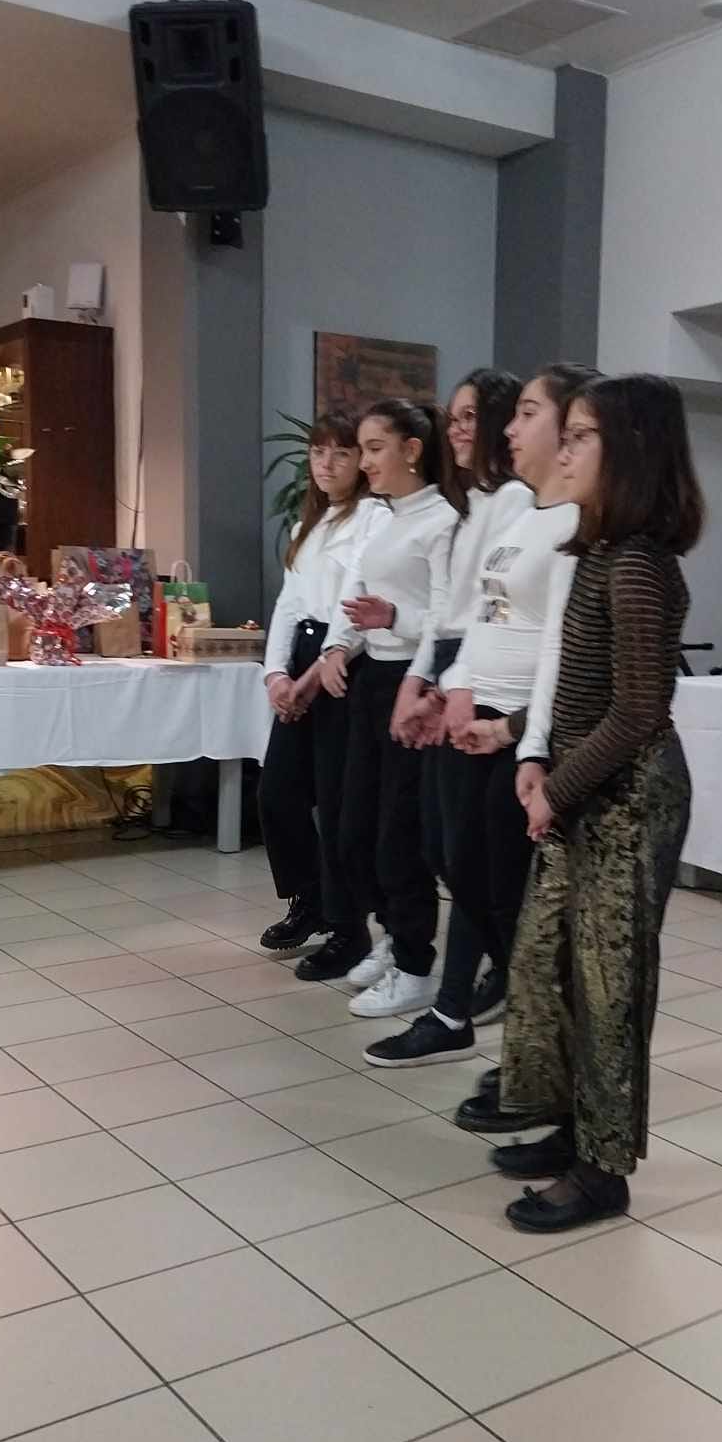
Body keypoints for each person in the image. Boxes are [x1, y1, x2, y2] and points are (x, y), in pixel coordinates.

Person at [494, 373, 704, 1234]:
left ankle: (603, 1169)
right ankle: (570, 1123)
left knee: (610, 987)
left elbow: (639, 711)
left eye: (582, 436)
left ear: (631, 454)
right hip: (586, 787)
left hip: (628, 798)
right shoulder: (600, 553)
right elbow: (578, 686)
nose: (566, 449)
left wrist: (557, 789)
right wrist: (525, 742)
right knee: (551, 966)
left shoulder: (641, 566)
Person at [364, 363, 597, 1073]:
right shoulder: (521, 512)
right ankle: (496, 1006)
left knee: (491, 882)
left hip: (513, 719)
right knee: (457, 863)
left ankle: (498, 1019)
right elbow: (483, 615)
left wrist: (521, 733)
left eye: (526, 413)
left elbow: (556, 646)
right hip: (478, 701)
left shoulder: (571, 522)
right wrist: (450, 687)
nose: (504, 429)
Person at [309, 398, 462, 1013]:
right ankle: (392, 935)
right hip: (371, 677)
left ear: (412, 450)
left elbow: (447, 620)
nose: (364, 461)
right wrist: (337, 647)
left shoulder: (442, 519)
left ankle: (416, 962)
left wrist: (396, 618)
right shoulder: (380, 514)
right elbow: (355, 595)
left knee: (400, 833)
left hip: (413, 683)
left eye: (375, 448)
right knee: (353, 830)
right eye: (364, 449)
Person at [388, 366, 528, 1031]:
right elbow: (449, 611)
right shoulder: (472, 504)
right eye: (454, 418)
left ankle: (478, 988)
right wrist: (421, 682)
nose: (458, 429)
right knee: (445, 850)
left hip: (485, 678)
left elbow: (492, 614)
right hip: (457, 664)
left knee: (467, 854)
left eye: (471, 416)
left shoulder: (518, 502)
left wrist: (449, 688)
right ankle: (498, 969)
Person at [257, 412, 388, 962]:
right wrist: (276, 674)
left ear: (360, 461)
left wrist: (312, 678)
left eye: (341, 453)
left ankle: (346, 924)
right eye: (317, 453)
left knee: (336, 804)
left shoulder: (375, 518)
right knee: (277, 792)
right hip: (303, 657)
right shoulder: (304, 526)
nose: (327, 464)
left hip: (342, 664)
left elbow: (354, 607)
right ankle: (308, 898)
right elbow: (289, 605)